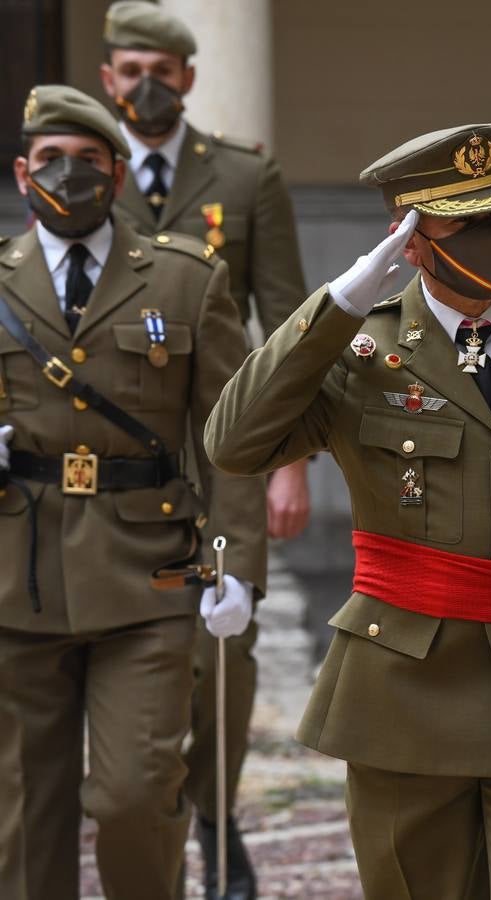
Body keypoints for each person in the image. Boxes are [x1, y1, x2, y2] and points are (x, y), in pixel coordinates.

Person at [205, 123, 491, 898]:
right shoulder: (358, 352)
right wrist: (342, 302)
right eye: (467, 224)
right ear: (412, 240)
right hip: (404, 692)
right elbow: (234, 442)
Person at [0, 84, 265, 900]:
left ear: (119, 176)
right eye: (51, 160)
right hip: (17, 576)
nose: (69, 175)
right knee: (23, 812)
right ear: (21, 174)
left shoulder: (185, 280)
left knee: (134, 796)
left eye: (88, 161)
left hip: (149, 574)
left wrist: (234, 563)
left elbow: (230, 436)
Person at [98, 4, 309, 893]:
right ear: (109, 78)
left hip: (227, 451)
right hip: (115, 456)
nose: (146, 82)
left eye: (163, 67)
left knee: (223, 650)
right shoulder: (80, 167)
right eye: (129, 66)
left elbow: (290, 321)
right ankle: (151, 823)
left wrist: (290, 458)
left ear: (188, 77)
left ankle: (220, 822)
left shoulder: (245, 175)